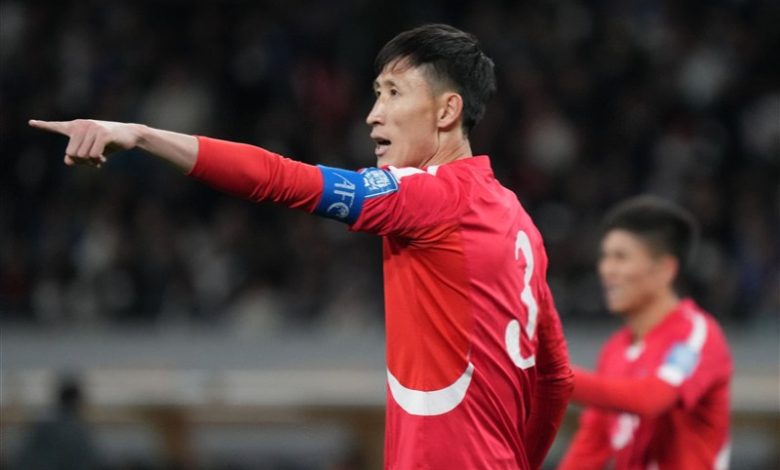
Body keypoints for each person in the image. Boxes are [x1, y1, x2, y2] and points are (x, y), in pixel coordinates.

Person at [29, 24, 573, 469]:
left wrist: (143, 135)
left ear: (447, 111)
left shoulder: (431, 196)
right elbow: (555, 379)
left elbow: (280, 178)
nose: (373, 113)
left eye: (393, 92)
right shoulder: (520, 224)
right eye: (376, 93)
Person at [557, 196, 733, 470]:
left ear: (665, 270)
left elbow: (652, 398)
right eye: (605, 257)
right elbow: (591, 446)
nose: (606, 269)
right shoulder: (614, 350)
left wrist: (554, 375)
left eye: (621, 257)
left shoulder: (697, 334)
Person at [15, 375, 100, 470]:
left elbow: (22, 456)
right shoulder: (77, 432)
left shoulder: (41, 424)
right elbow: (88, 461)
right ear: (76, 401)